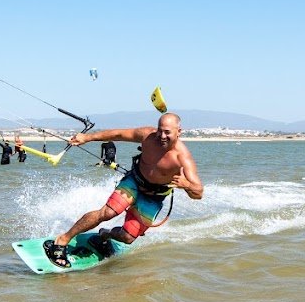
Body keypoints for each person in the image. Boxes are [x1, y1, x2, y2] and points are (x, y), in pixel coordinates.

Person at [43, 113, 203, 269]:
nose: (162, 136)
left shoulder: (183, 158)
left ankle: (104, 235)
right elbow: (118, 134)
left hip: (154, 197)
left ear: (178, 132)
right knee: (108, 212)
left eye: (167, 132)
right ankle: (62, 240)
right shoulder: (148, 135)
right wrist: (87, 137)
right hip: (134, 181)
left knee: (128, 237)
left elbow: (199, 192)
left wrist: (187, 185)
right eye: (160, 130)